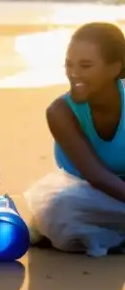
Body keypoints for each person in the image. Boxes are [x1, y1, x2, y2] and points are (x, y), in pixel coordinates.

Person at [48, 22, 125, 200]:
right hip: (83, 195)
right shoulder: (60, 112)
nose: (74, 74)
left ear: (114, 68)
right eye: (69, 65)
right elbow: (96, 175)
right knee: (63, 206)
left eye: (85, 66)